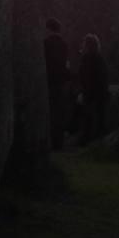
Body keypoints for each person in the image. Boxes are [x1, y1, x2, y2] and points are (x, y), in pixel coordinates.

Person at [43, 18, 71, 151]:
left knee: (49, 112)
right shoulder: (64, 45)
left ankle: (48, 140)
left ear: (48, 29)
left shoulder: (46, 44)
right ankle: (58, 142)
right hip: (60, 82)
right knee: (58, 112)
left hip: (48, 81)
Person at [78, 33, 110, 145]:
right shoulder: (99, 59)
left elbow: (88, 79)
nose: (81, 45)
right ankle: (96, 141)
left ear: (88, 45)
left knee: (89, 118)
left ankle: (87, 141)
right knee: (98, 118)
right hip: (100, 94)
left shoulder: (88, 60)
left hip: (92, 94)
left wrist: (85, 94)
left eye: (83, 43)